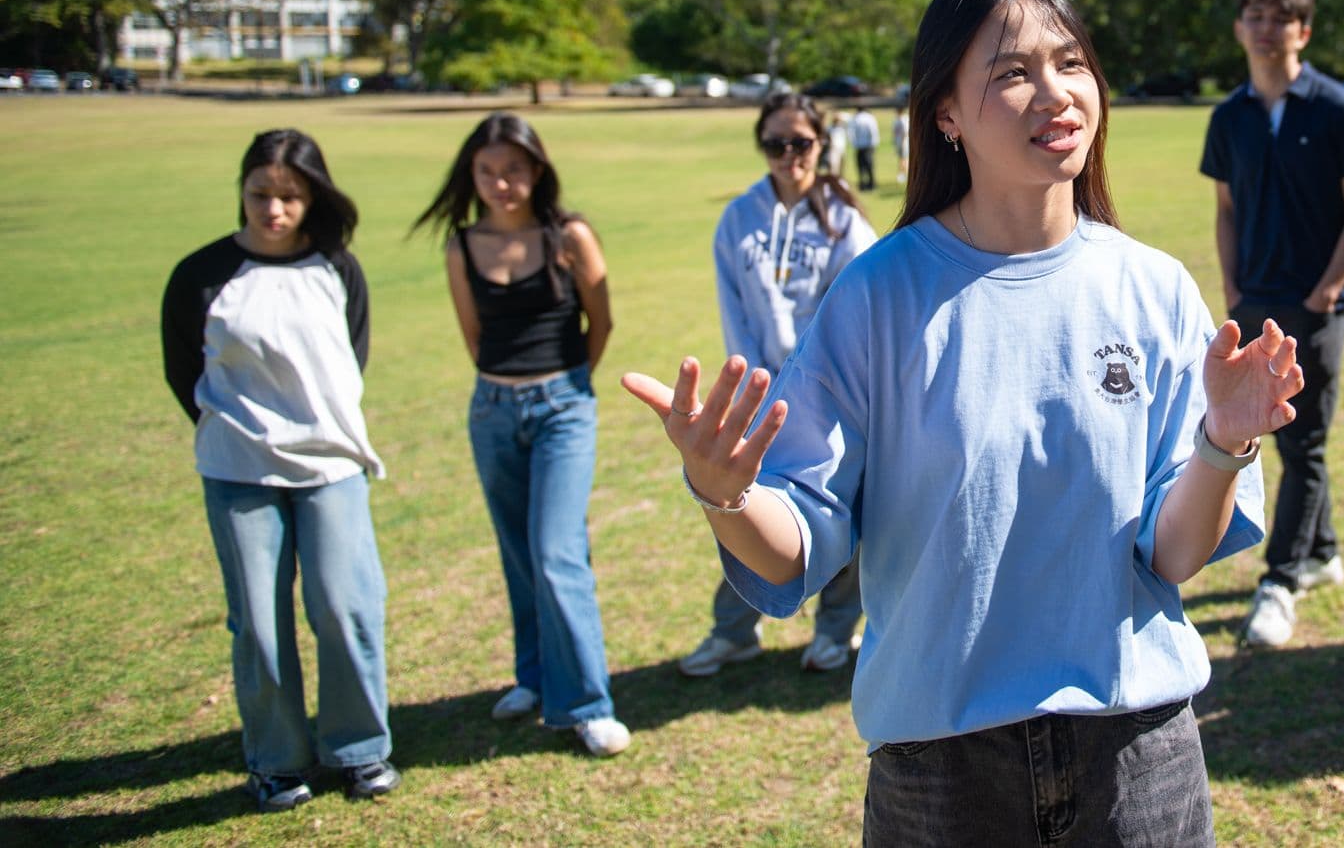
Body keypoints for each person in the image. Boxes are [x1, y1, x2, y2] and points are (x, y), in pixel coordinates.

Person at [622, 0, 1294, 846]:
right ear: (944, 112)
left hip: (1139, 756)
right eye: (1012, 72)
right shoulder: (877, 296)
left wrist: (1222, 445)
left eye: (1071, 63)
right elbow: (794, 556)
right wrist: (726, 491)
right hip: (940, 773)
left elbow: (1171, 555)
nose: (1054, 93)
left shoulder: (1154, 289)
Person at [161, 129, 399, 812]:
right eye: (260, 194)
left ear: (312, 197)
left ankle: (361, 748)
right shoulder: (201, 275)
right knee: (259, 623)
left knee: (345, 605)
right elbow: (186, 370)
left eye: (289, 196)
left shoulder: (336, 267)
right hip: (239, 469)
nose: (273, 209)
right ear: (241, 190)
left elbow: (351, 357)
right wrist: (241, 431)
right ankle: (276, 760)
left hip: (331, 464)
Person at [413, 112, 630, 757]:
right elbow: (474, 338)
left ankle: (588, 704)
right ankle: (533, 678)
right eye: (487, 172)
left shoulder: (569, 235)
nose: (500, 183)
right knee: (517, 552)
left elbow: (602, 321)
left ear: (537, 170)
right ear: (471, 176)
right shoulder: (461, 246)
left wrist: (567, 388)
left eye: (513, 170)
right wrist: (509, 392)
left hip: (563, 405)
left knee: (556, 550)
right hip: (492, 410)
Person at [1201, 0, 1344, 649]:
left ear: (1303, 30)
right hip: (1256, 298)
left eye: (1280, 17)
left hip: (1318, 300)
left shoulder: (1338, 109)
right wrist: (1233, 287)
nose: (1265, 26)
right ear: (1239, 27)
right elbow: (1224, 210)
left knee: (1302, 440)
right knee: (1279, 435)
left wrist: (1329, 289)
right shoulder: (1229, 117)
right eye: (1253, 14)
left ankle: (1279, 580)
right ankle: (1324, 549)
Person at [679, 91, 876, 677]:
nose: (790, 154)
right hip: (759, 400)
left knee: (842, 513)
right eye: (776, 143)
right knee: (744, 514)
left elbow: (858, 311)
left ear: (821, 144)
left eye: (802, 142)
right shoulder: (739, 217)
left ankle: (835, 632)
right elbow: (732, 306)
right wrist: (752, 387)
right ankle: (733, 631)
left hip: (833, 399)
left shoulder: (845, 221)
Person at [850, 106, 881, 191]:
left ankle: (862, 184)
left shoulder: (856, 118)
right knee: (870, 165)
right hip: (869, 145)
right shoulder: (870, 118)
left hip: (859, 146)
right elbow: (873, 131)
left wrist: (855, 144)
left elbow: (851, 133)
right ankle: (872, 183)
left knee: (861, 166)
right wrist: (874, 143)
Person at [892, 107, 909, 184]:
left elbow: (905, 132)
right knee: (901, 159)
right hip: (899, 143)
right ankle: (902, 174)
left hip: (903, 143)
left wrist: (902, 143)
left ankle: (904, 175)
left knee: (904, 159)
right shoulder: (898, 120)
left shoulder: (903, 120)